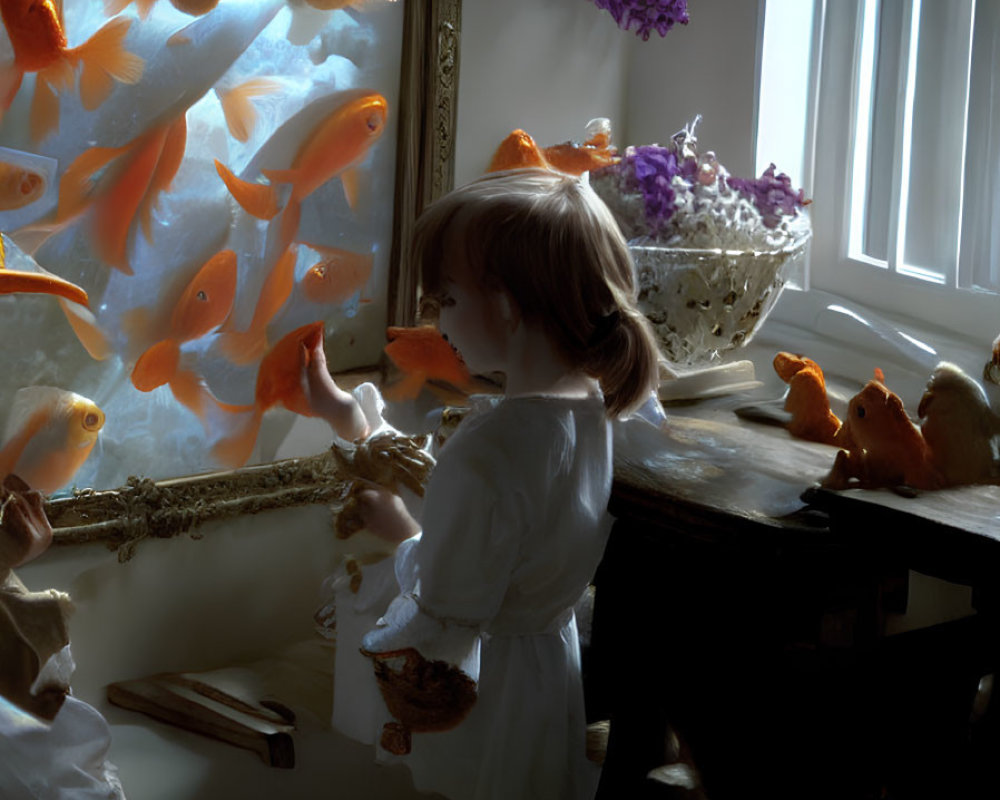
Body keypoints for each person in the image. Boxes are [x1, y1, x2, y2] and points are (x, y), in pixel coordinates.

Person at [303, 167, 661, 800]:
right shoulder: (590, 410)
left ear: (504, 305)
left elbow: (448, 613)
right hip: (548, 676)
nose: (437, 320)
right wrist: (350, 418)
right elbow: (507, 531)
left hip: (485, 692)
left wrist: (399, 535)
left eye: (446, 299)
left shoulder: (490, 450)